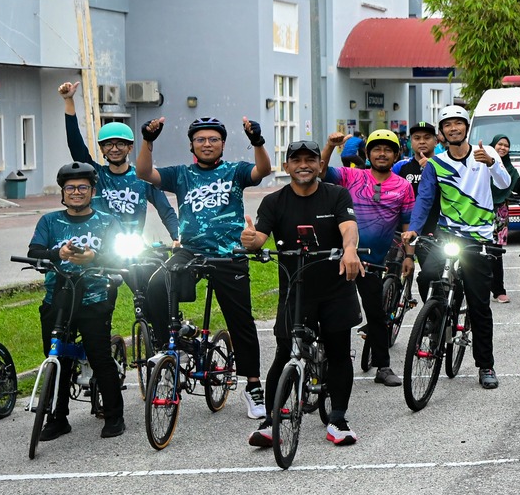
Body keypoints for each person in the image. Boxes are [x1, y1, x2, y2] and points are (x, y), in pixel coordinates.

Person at [137, 115, 274, 417]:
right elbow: (144, 172)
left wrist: (257, 141)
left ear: (223, 144)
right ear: (192, 145)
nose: (207, 144)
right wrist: (147, 140)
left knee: (241, 321)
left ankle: (253, 387)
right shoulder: (181, 174)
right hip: (190, 251)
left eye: (213, 139)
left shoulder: (235, 171)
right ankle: (167, 347)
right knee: (156, 285)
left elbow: (263, 170)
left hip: (229, 254)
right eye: (200, 139)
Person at [243, 140, 366, 447]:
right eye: (296, 160)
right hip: (295, 290)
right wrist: (251, 240)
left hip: (336, 287)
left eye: (310, 159)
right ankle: (271, 421)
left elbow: (348, 227)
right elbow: (259, 237)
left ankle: (338, 420)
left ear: (319, 165)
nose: (303, 165)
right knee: (284, 351)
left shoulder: (336, 195)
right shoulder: (274, 201)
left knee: (339, 352)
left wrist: (350, 250)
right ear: (286, 167)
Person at [56, 82, 179, 343]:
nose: (114, 148)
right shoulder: (97, 176)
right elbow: (76, 146)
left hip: (133, 248)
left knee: (151, 293)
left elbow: (165, 209)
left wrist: (177, 236)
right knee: (96, 304)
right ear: (101, 149)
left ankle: (161, 341)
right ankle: (96, 344)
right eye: (108, 144)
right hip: (100, 250)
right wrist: (69, 102)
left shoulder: (142, 178)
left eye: (120, 144)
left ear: (130, 147)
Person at [406, 103, 514, 388]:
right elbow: (425, 199)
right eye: (447, 125)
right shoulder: (436, 164)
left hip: (479, 238)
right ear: (442, 133)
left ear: (466, 127)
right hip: (447, 235)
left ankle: (486, 365)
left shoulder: (485, 153)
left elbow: (505, 184)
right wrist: (414, 228)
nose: (453, 128)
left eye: (458, 123)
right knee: (427, 276)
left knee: (479, 304)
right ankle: (436, 316)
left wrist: (491, 164)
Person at [25, 162, 127, 439]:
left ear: (93, 191)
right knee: (57, 356)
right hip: (57, 298)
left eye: (83, 187)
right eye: (70, 188)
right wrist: (58, 254)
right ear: (63, 192)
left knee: (99, 355)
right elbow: (34, 252)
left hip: (95, 298)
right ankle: (57, 418)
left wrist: (94, 257)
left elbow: (120, 256)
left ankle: (114, 416)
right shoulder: (49, 221)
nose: (76, 192)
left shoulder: (107, 222)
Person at [324, 129, 417, 386]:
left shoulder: (403, 186)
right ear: (368, 154)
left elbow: (407, 224)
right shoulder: (352, 175)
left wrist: (409, 256)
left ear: (396, 155)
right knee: (333, 310)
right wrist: (329, 146)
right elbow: (321, 172)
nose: (382, 154)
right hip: (342, 256)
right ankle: (328, 361)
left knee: (376, 314)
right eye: (377, 149)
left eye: (388, 150)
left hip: (373, 262)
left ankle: (383, 366)